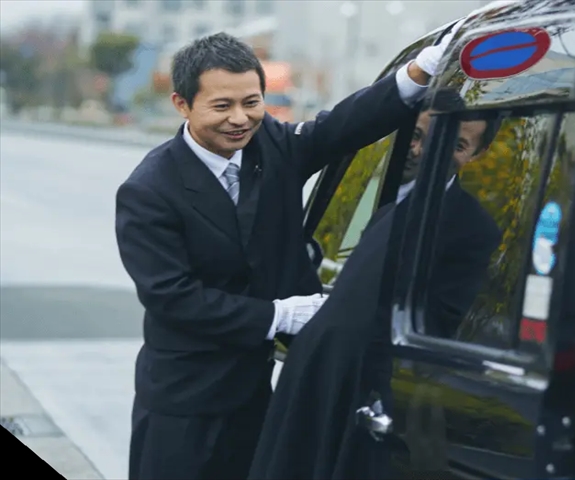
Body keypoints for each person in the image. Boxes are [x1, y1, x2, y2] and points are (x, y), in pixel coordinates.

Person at [115, 30, 450, 480]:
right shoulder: (148, 190)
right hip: (183, 404)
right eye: (222, 106)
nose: (240, 119)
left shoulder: (271, 144)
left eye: (251, 102)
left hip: (256, 396)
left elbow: (340, 127)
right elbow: (173, 298)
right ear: (182, 104)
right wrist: (279, 315)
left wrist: (419, 71)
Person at [247, 89, 503, 480]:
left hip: (365, 400)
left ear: (477, 154)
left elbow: (434, 330)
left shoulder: (472, 228)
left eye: (455, 145)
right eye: (418, 135)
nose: (423, 151)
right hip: (314, 385)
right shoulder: (387, 208)